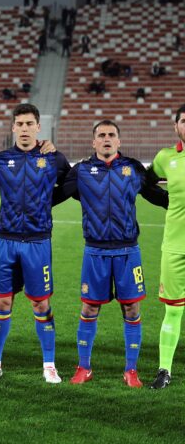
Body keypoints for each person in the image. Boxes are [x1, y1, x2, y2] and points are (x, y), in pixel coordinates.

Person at [58, 121, 168, 387]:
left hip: (128, 251)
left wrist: (177, 200)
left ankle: (131, 370)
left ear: (119, 141)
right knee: (89, 307)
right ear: (93, 142)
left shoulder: (132, 169)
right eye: (101, 135)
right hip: (95, 251)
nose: (107, 139)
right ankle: (84, 367)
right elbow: (57, 194)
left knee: (132, 307)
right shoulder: (81, 171)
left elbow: (157, 195)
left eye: (111, 135)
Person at [0, 103, 71, 383]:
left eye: (30, 124)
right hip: (7, 242)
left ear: (39, 127)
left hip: (38, 243)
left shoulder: (54, 158)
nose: (25, 129)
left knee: (41, 304)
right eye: (20, 124)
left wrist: (46, 203)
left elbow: (73, 184)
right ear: (13, 127)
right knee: (2, 302)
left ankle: (49, 365)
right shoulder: (0, 160)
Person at [149, 105, 185, 389]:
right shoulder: (165, 158)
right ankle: (164, 371)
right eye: (184, 121)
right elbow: (145, 182)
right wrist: (166, 201)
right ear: (176, 127)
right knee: (173, 310)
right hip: (174, 247)